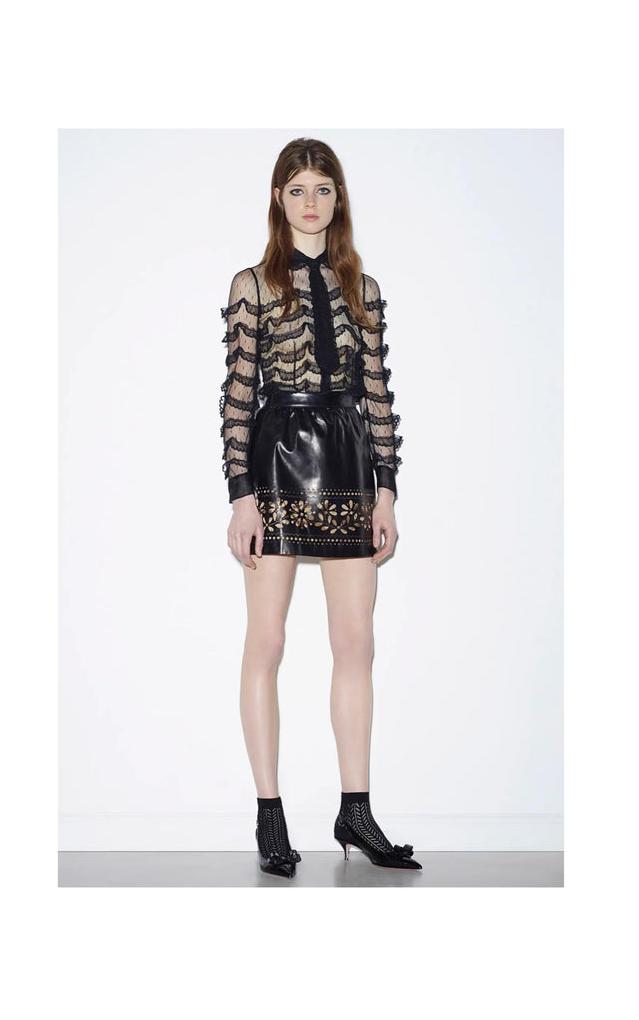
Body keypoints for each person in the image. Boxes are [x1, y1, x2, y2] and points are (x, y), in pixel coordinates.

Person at [219, 138, 421, 878]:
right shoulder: (253, 285)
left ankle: (355, 810)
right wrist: (241, 496)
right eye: (298, 189)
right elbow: (238, 396)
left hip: (348, 458)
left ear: (339, 199)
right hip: (276, 458)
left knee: (355, 642)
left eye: (324, 189)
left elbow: (378, 394)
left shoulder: (363, 288)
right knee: (267, 641)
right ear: (279, 198)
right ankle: (269, 814)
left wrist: (386, 489)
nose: (312, 203)